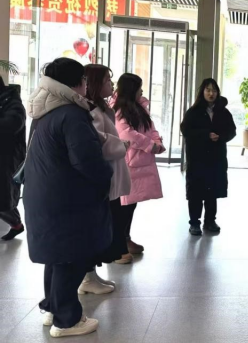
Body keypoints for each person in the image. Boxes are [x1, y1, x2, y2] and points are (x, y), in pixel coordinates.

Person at [24, 58, 112, 338]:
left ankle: (52, 308)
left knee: (57, 257)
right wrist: (106, 175)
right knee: (71, 257)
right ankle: (67, 320)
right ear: (77, 83)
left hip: (43, 193)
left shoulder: (44, 110)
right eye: (84, 80)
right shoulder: (72, 114)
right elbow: (87, 161)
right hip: (67, 198)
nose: (86, 85)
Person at [82, 64, 132, 292]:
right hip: (101, 177)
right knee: (95, 229)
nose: (111, 85)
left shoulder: (101, 108)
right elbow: (96, 142)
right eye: (107, 81)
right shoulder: (90, 110)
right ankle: (87, 278)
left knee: (104, 226)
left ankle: (92, 274)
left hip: (109, 174)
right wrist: (120, 145)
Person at [111, 73, 163, 255]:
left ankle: (125, 239)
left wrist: (157, 142)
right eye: (139, 88)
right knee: (123, 206)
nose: (142, 91)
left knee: (131, 204)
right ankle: (118, 244)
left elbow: (151, 128)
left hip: (141, 160)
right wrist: (150, 145)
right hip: (128, 161)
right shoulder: (118, 109)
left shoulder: (140, 107)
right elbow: (125, 133)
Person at [180, 78, 236, 236]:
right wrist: (206, 135)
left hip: (216, 158)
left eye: (214, 90)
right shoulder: (193, 111)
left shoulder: (223, 112)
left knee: (212, 191)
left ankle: (210, 220)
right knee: (196, 192)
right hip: (197, 158)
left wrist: (221, 137)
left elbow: (232, 131)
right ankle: (194, 222)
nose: (211, 93)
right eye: (208, 90)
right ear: (202, 92)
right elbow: (186, 130)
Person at [0, 76, 26, 241]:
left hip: (7, 158)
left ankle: (16, 224)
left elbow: (12, 124)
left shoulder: (13, 102)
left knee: (4, 198)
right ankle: (16, 224)